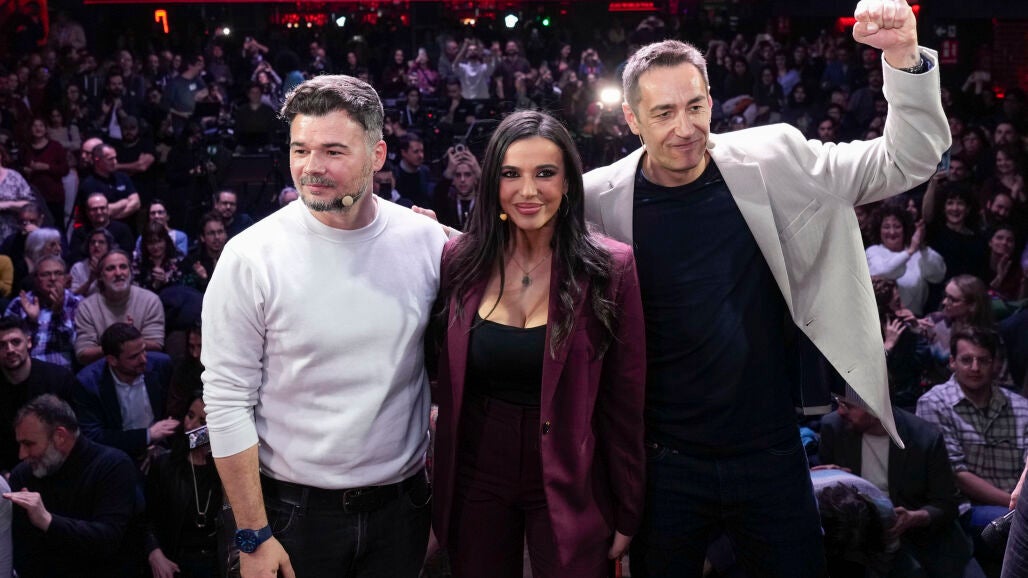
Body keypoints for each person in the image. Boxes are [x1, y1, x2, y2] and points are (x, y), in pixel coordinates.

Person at [580, 2, 950, 575]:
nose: (685, 128)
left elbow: (906, 160)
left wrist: (903, 57)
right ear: (631, 118)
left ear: (711, 99)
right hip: (665, 460)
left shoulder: (775, 157)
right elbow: (513, 242)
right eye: (664, 113)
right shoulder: (597, 198)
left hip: (771, 449)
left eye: (695, 106)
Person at [203, 74, 445, 578]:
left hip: (401, 510)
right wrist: (253, 534)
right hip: (290, 515)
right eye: (300, 150)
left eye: (333, 151)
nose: (312, 167)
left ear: (377, 155)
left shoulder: (425, 240)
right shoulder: (250, 256)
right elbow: (226, 404)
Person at [432, 110, 645, 577]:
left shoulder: (611, 268)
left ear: (568, 182)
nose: (528, 191)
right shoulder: (458, 260)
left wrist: (628, 505)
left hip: (573, 470)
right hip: (477, 469)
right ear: (493, 184)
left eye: (545, 173)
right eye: (511, 174)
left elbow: (624, 402)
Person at [819, 395, 974, 577]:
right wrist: (824, 475)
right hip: (855, 538)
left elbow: (947, 505)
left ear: (876, 406)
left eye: (848, 406)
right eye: (839, 402)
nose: (840, 411)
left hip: (914, 537)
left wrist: (914, 517)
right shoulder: (834, 427)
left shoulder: (924, 437)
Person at [916, 326, 1028, 576]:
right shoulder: (934, 403)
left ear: (995, 364)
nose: (975, 367)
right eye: (967, 360)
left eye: (983, 360)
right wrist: (1018, 505)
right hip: (967, 508)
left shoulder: (1021, 407)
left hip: (1016, 501)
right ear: (952, 362)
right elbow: (957, 474)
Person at [4, 394, 139, 577]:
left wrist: (47, 520)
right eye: (20, 444)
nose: (22, 454)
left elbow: (108, 540)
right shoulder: (23, 475)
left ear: (60, 436)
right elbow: (23, 550)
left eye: (29, 444)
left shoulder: (113, 467)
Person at [144, 392, 223, 578]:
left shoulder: (226, 470)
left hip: (216, 563)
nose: (191, 426)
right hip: (175, 561)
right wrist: (154, 552)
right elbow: (145, 519)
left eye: (202, 421)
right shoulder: (164, 465)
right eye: (190, 415)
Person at [74, 322, 176, 464]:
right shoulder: (88, 383)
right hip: (117, 457)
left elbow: (178, 413)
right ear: (112, 360)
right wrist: (147, 435)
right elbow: (93, 435)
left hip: (162, 449)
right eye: (134, 357)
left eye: (144, 350)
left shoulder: (162, 365)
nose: (144, 359)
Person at [0, 315, 79, 473]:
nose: (10, 350)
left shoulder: (59, 379)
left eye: (16, 342)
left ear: (28, 342)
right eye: (2, 345)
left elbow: (75, 432)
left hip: (57, 466)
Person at [73, 249, 165, 365]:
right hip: (105, 366)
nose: (118, 273)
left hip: (143, 363)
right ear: (100, 276)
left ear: (131, 272)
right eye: (110, 269)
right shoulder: (86, 307)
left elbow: (156, 344)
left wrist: (120, 344)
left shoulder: (150, 301)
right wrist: (122, 342)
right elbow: (83, 354)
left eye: (123, 267)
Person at [866, 203, 947, 316]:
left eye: (897, 226)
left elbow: (938, 275)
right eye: (886, 227)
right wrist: (910, 251)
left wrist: (922, 247)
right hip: (881, 319)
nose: (892, 232)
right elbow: (884, 272)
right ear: (878, 230)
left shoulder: (919, 253)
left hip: (914, 318)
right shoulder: (873, 251)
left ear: (905, 229)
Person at [4, 255, 80, 368]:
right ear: (35, 279)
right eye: (45, 274)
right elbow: (8, 346)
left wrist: (59, 314)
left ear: (65, 278)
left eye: (58, 273)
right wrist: (31, 322)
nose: (53, 278)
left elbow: (75, 346)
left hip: (62, 370)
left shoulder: (76, 303)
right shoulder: (19, 304)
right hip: (26, 370)